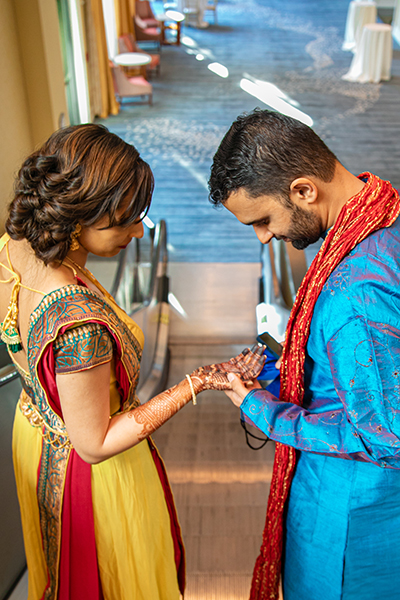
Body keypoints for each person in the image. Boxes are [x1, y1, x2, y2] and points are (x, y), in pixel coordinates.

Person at [0, 123, 265, 600]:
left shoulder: (13, 248)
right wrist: (200, 381)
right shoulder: (79, 324)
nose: (138, 231)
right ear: (76, 215)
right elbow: (96, 443)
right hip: (95, 477)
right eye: (122, 221)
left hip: (35, 435)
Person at [208, 108, 400, 600]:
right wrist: (286, 369)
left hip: (352, 514)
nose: (264, 236)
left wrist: (265, 410)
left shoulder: (352, 295)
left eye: (263, 219)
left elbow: (388, 437)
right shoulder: (382, 215)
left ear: (303, 190)